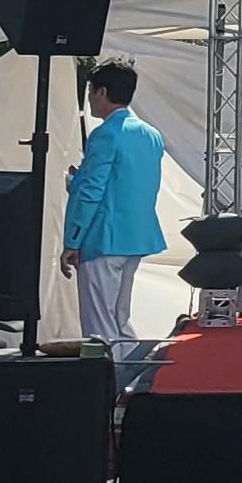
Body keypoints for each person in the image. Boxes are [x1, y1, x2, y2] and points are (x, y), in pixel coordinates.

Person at [61, 61, 167, 385]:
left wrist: (72, 240)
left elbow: (91, 191)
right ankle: (132, 380)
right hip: (136, 236)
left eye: (91, 91)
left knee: (99, 325)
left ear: (102, 92)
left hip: (103, 238)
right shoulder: (151, 135)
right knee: (119, 319)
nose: (90, 99)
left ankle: (105, 387)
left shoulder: (105, 135)